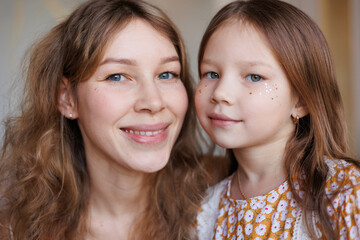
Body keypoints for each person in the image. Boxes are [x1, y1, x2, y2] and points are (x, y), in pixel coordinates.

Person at [0, 0, 208, 239]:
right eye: (117, 77)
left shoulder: (227, 201)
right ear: (68, 98)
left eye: (167, 74)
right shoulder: (14, 230)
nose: (153, 102)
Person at [195, 0, 360, 239]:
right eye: (211, 73)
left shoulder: (343, 192)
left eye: (253, 76)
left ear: (301, 101)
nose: (220, 92)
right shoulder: (204, 210)